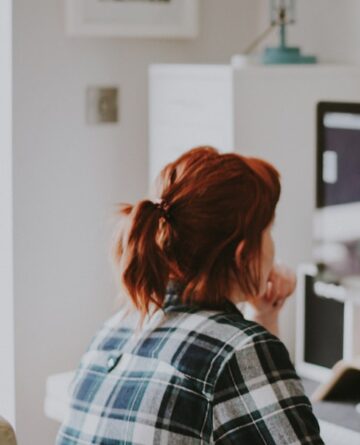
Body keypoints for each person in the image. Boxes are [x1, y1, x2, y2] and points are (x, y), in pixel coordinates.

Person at [56, 147, 324, 444]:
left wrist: (265, 315)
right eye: (269, 231)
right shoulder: (238, 350)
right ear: (244, 253)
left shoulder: (114, 329)